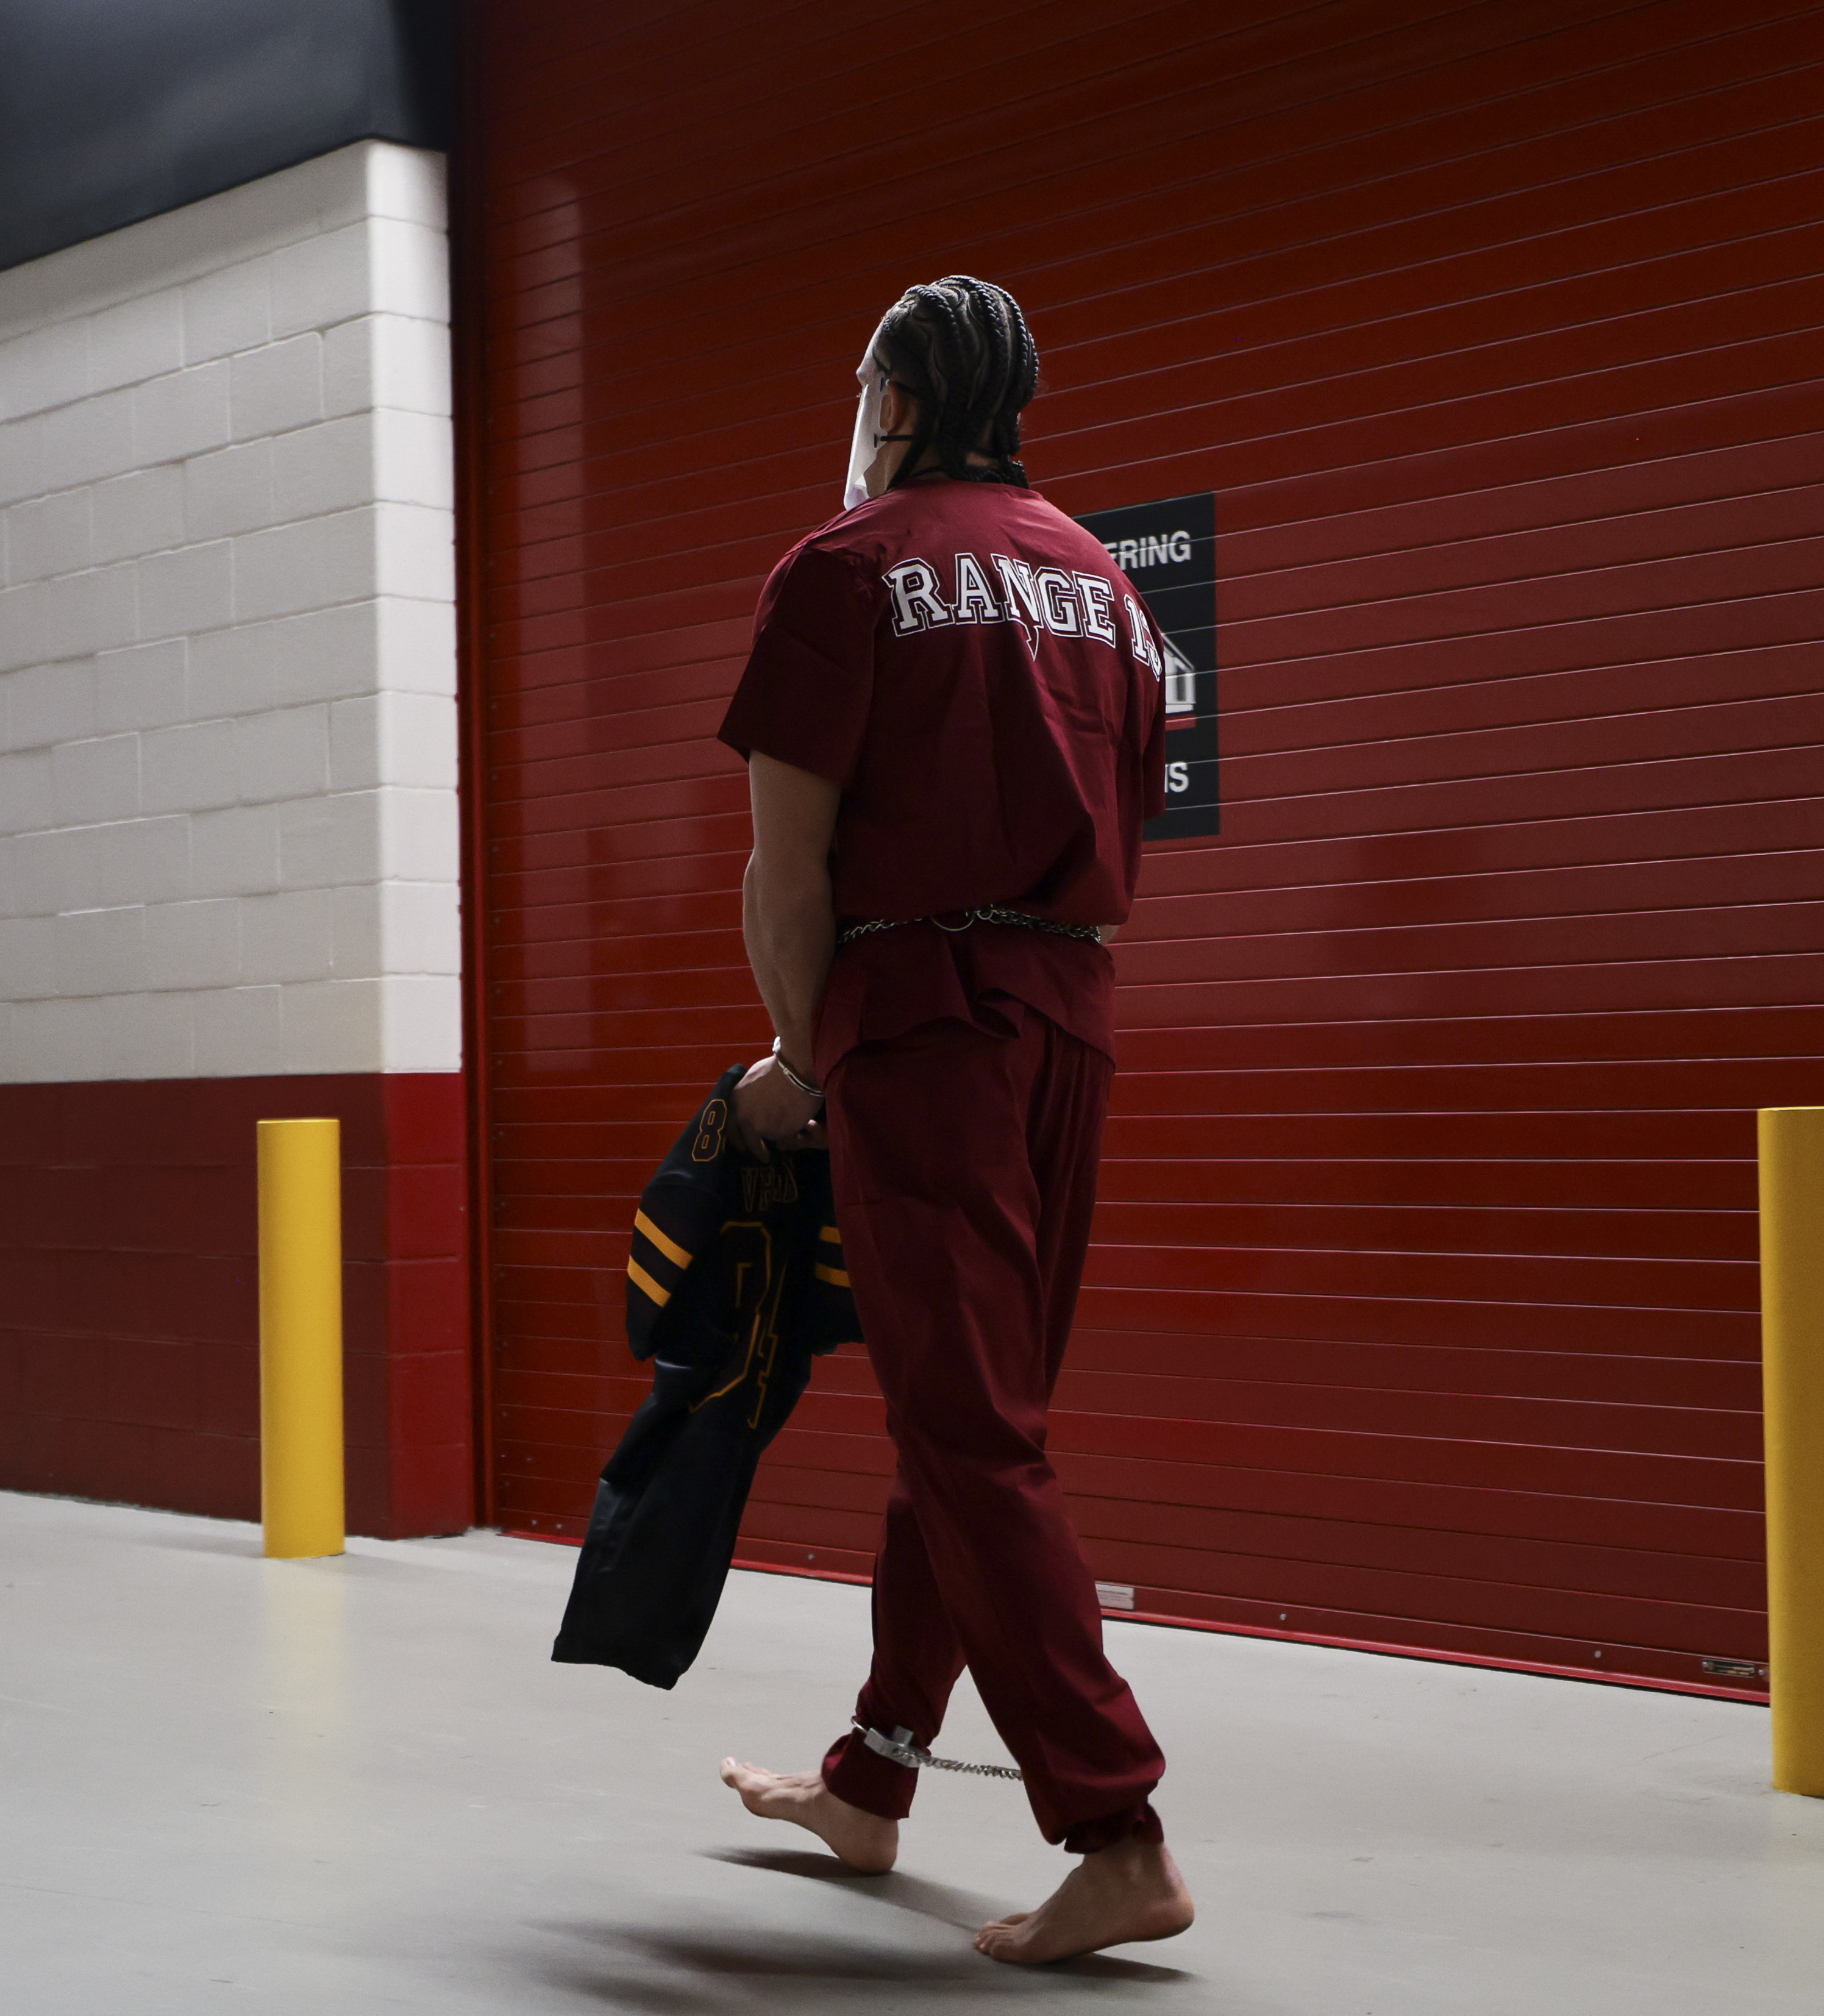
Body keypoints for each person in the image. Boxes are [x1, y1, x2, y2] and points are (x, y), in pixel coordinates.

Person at [707, 276, 1191, 1965]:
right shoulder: (1103, 586)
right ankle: (872, 1777)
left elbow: (789, 869)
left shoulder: (839, 573)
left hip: (919, 1025)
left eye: (862, 386)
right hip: (1069, 1016)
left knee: (970, 1430)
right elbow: (1120, 826)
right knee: (967, 1412)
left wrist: (801, 1051)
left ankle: (1115, 1825)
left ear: (899, 399)